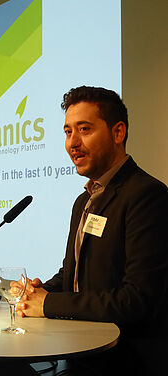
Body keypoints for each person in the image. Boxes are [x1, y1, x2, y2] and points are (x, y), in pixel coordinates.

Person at [14, 86, 168, 375]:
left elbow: (137, 300)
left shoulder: (147, 195)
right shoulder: (83, 201)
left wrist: (49, 304)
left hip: (127, 363)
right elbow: (72, 275)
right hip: (81, 358)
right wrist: (39, 291)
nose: (73, 142)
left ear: (118, 132)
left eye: (84, 129)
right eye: (67, 131)